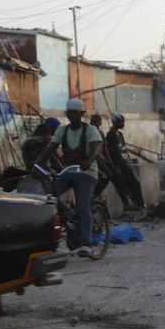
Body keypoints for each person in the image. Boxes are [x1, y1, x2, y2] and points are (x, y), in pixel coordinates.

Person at [35, 98, 102, 258]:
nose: (72, 115)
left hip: (87, 173)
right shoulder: (62, 131)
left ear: (81, 114)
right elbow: (50, 149)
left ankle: (86, 243)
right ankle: (69, 219)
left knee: (83, 206)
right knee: (50, 198)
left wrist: (88, 161)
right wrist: (36, 164)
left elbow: (95, 149)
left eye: (75, 112)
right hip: (68, 171)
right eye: (69, 112)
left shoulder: (91, 130)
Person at [90, 115, 139, 211]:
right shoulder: (88, 132)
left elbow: (105, 149)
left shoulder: (100, 133)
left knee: (118, 176)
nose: (95, 124)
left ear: (100, 123)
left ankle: (126, 203)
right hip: (93, 160)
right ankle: (95, 194)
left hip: (102, 159)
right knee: (106, 175)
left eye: (97, 122)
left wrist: (110, 163)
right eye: (94, 122)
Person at [106, 113, 145, 209]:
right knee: (126, 186)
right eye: (121, 122)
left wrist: (129, 159)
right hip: (118, 165)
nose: (123, 124)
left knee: (134, 184)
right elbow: (115, 151)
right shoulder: (111, 135)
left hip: (124, 163)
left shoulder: (120, 135)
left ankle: (140, 205)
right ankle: (132, 205)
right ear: (116, 122)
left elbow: (123, 150)